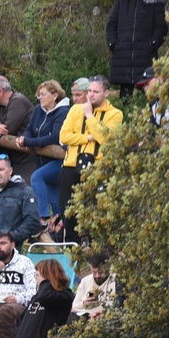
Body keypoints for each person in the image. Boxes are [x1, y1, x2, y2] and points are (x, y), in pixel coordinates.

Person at [57, 76, 123, 239]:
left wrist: (90, 117)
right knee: (68, 211)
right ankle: (73, 250)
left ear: (106, 93)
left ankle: (95, 252)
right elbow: (64, 136)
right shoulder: (75, 109)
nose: (91, 95)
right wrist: (86, 138)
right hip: (71, 166)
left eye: (96, 92)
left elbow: (106, 139)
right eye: (90, 91)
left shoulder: (115, 114)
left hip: (96, 168)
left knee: (95, 211)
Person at [106, 0, 169, 97]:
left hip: (145, 55)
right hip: (123, 55)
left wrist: (152, 45)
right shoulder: (122, 1)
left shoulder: (155, 3)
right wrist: (113, 44)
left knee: (146, 93)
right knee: (125, 96)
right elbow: (111, 24)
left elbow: (161, 27)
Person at [19, 82, 70, 237]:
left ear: (54, 96)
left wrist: (28, 142)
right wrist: (24, 139)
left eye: (43, 94)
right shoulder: (38, 110)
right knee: (56, 202)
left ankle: (42, 218)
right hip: (43, 161)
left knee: (37, 177)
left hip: (59, 161)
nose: (40, 97)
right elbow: (29, 130)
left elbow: (55, 137)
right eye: (38, 94)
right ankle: (59, 237)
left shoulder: (63, 112)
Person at [71, 255, 117, 319]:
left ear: (108, 268)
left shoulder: (116, 281)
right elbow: (73, 308)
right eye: (94, 272)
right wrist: (84, 304)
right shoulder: (85, 281)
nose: (97, 276)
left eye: (101, 272)